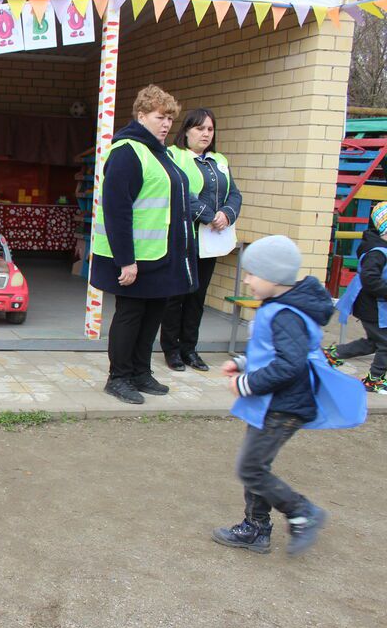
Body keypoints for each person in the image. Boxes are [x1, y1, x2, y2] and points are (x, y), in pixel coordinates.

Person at [214, 235, 366, 556]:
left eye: (252, 274)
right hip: (272, 403)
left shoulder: (286, 313)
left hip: (282, 405)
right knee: (256, 465)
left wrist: (245, 384)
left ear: (273, 277)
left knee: (251, 469)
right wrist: (242, 363)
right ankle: (256, 528)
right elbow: (273, 352)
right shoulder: (281, 307)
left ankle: (302, 512)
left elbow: (290, 364)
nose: (247, 279)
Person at [90, 85, 196, 404]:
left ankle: (140, 372)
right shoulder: (127, 151)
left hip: (161, 255)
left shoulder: (159, 152)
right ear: (141, 116)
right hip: (135, 257)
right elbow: (117, 209)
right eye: (159, 117)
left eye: (169, 118)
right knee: (131, 314)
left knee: (152, 315)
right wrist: (126, 260)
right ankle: (118, 377)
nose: (166, 124)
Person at [161, 109, 243, 372]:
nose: (206, 133)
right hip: (183, 238)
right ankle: (171, 349)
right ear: (186, 131)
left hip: (210, 241)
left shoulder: (219, 160)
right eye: (199, 128)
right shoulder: (176, 156)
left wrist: (226, 215)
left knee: (198, 296)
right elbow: (179, 190)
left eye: (209, 129)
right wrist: (207, 215)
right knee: (177, 295)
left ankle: (189, 349)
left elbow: (234, 194)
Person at [324, 201, 387, 393]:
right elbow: (370, 279)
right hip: (371, 306)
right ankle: (375, 379)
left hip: (376, 305)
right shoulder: (377, 253)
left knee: (374, 343)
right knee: (385, 343)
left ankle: (334, 354)